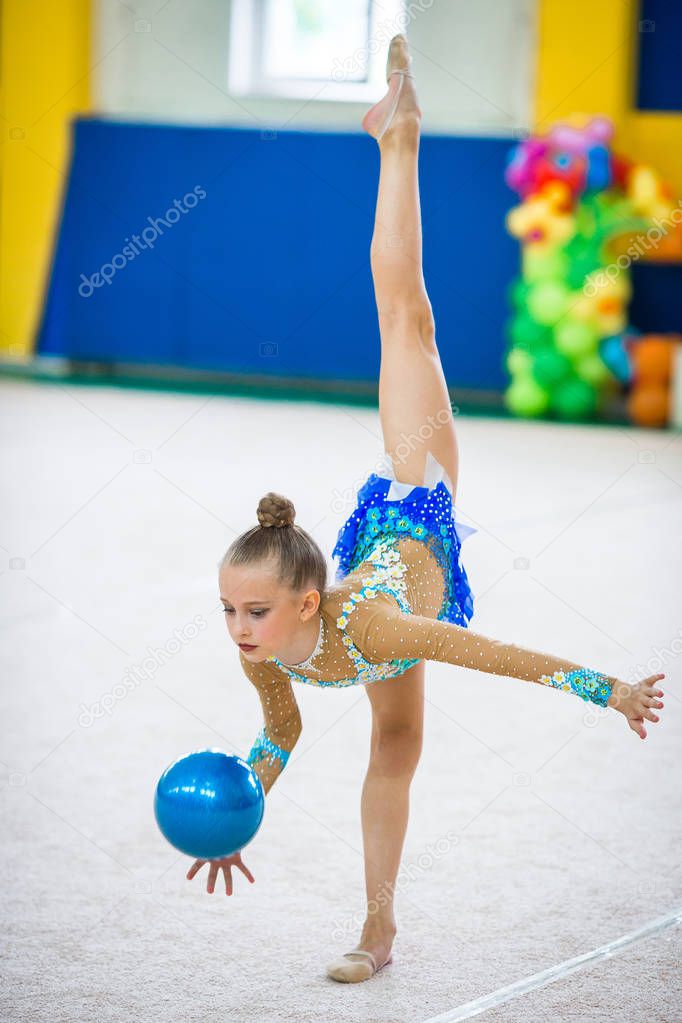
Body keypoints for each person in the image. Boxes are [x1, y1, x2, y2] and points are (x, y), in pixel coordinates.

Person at [186, 34, 665, 983]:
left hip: (415, 493)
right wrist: (239, 803)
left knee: (400, 311)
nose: (238, 628)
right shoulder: (264, 651)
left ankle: (397, 137)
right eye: (231, 610)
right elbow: (280, 730)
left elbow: (497, 656)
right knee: (395, 742)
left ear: (308, 602)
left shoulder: (380, 623)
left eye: (254, 610)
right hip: (374, 561)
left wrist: (606, 687)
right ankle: (381, 929)